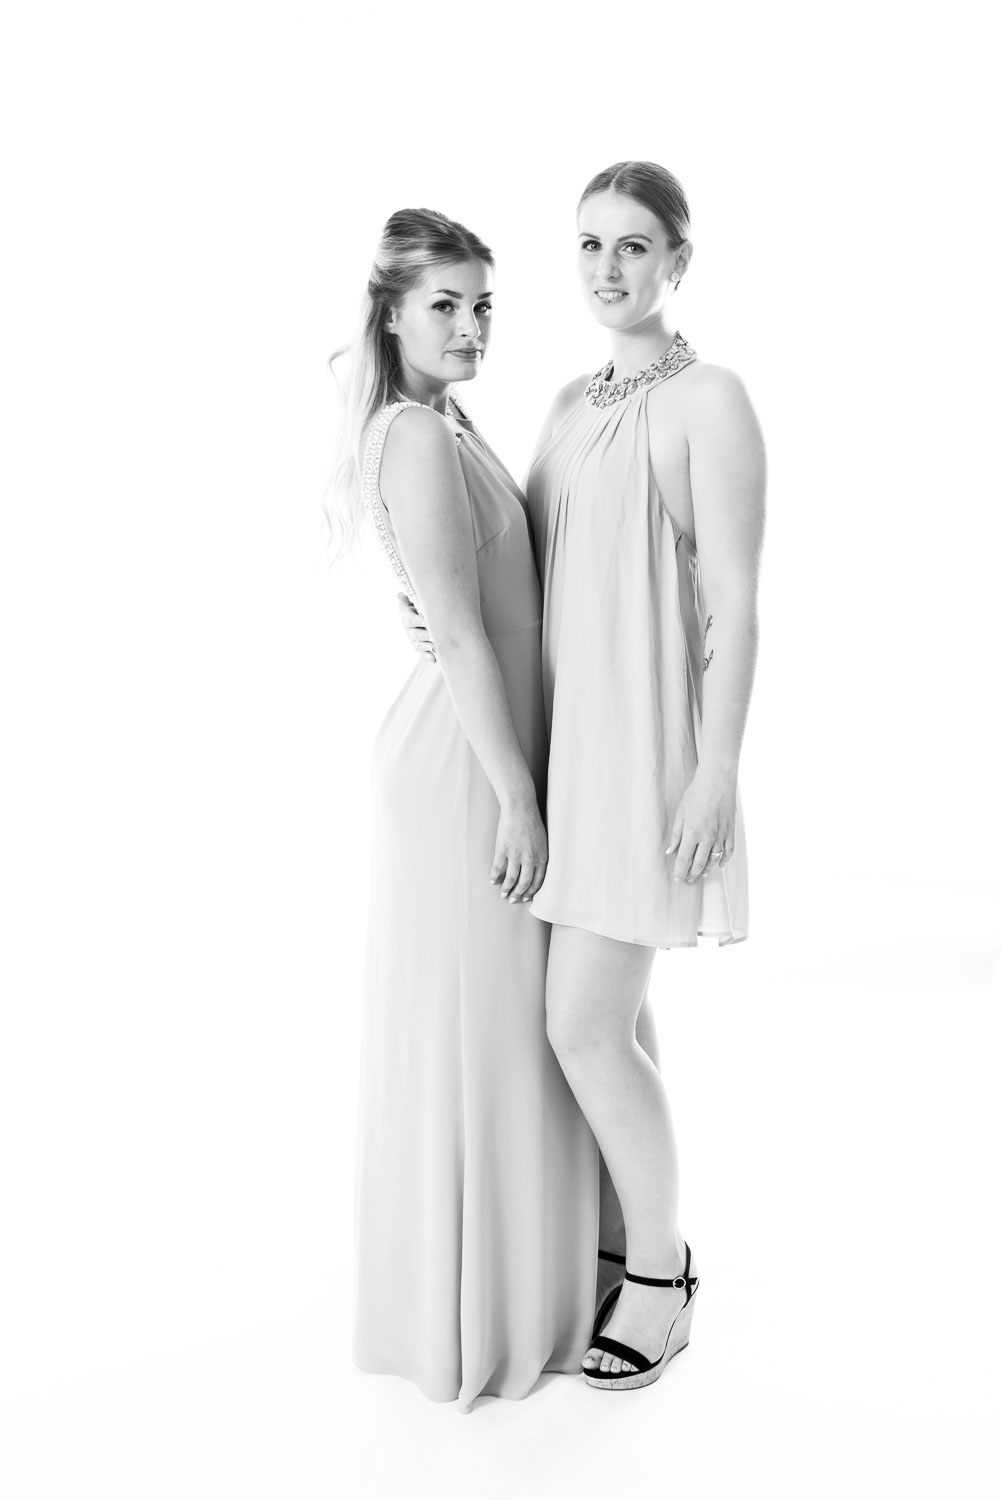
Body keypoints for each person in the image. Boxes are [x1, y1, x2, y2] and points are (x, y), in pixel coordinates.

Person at [401, 163, 765, 1392]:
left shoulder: (709, 401)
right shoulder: (565, 402)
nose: (607, 269)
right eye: (589, 245)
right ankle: (613, 1240)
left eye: (633, 246)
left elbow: (736, 605)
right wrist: (431, 616)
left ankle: (659, 1277)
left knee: (583, 1026)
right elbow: (522, 566)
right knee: (606, 1018)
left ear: (677, 262)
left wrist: (715, 772)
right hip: (563, 753)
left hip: (644, 762)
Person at [330, 208, 598, 1413]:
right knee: (485, 1035)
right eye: (443, 304)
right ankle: (476, 1312)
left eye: (483, 303)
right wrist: (518, 799)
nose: (470, 325)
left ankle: (528, 1284)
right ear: (390, 314)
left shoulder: (446, 420)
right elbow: (460, 634)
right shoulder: (412, 437)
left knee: (517, 1031)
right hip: (468, 771)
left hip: (490, 753)